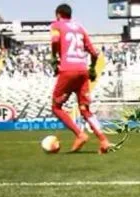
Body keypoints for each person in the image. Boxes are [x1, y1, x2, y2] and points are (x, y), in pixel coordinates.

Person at [50, 3, 111, 154]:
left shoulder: (56, 25)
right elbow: (94, 53)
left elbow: (55, 41)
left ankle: (80, 134)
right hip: (82, 70)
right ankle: (104, 140)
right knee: (84, 109)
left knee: (56, 107)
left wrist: (54, 57)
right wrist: (92, 68)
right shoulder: (80, 28)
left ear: (58, 14)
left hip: (68, 70)